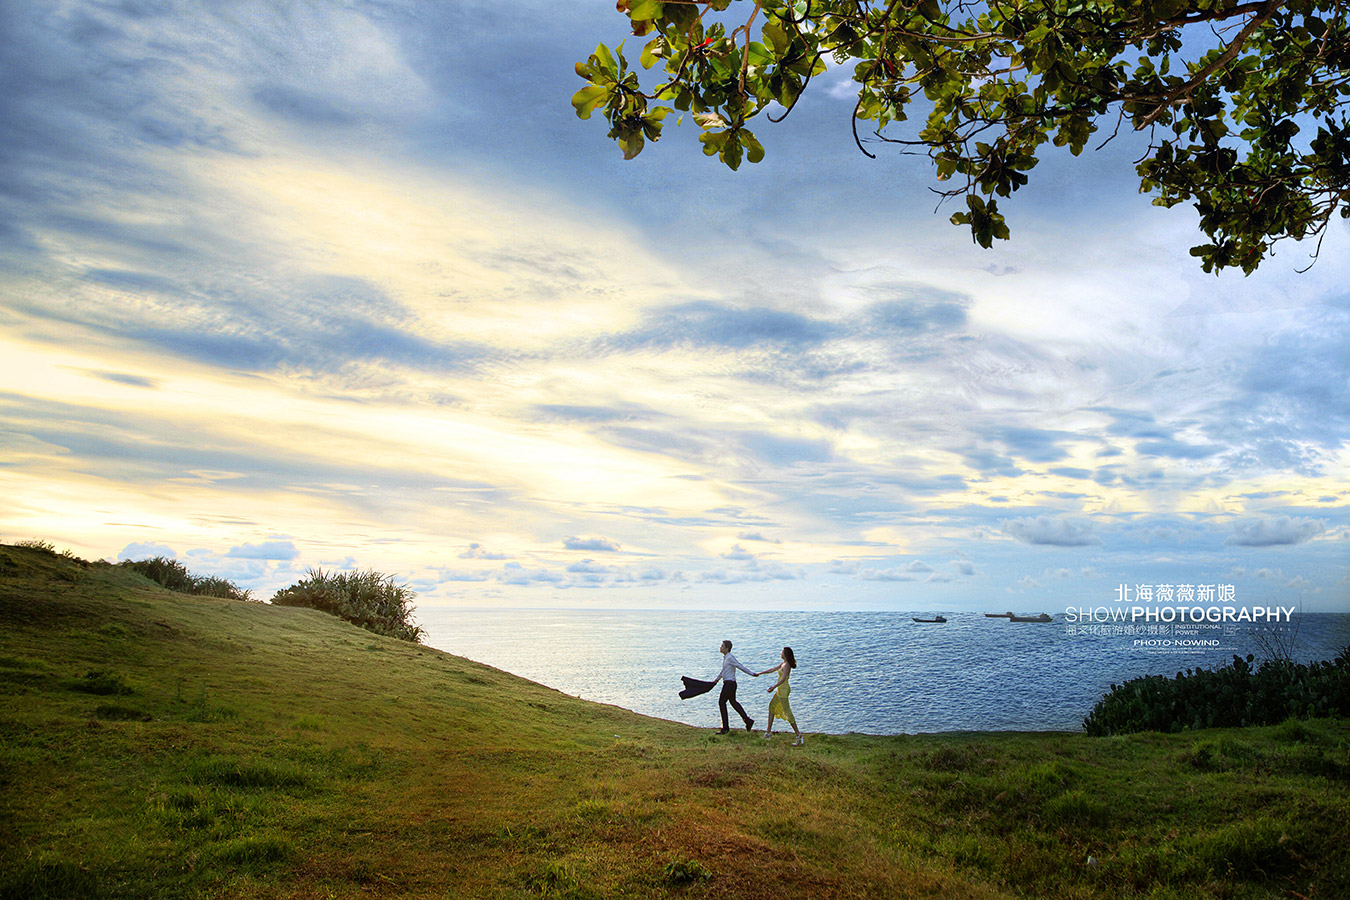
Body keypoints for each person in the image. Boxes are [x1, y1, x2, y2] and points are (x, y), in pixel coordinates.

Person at [755, 647, 803, 746]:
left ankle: (798, 735)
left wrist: (773, 687)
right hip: (780, 690)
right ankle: (768, 732)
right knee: (772, 707)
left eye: (782, 652)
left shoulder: (787, 665)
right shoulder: (783, 663)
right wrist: (760, 673)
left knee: (787, 712)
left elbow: (783, 679)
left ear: (785, 654)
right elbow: (772, 669)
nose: (781, 653)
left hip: (783, 690)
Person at [710, 639, 756, 733]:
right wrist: (717, 679)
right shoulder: (726, 658)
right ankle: (747, 720)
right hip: (729, 683)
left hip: (729, 684)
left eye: (722, 646)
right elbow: (724, 671)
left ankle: (725, 728)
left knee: (722, 702)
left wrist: (751, 673)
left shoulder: (730, 657)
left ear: (727, 649)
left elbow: (739, 666)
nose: (720, 647)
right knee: (733, 702)